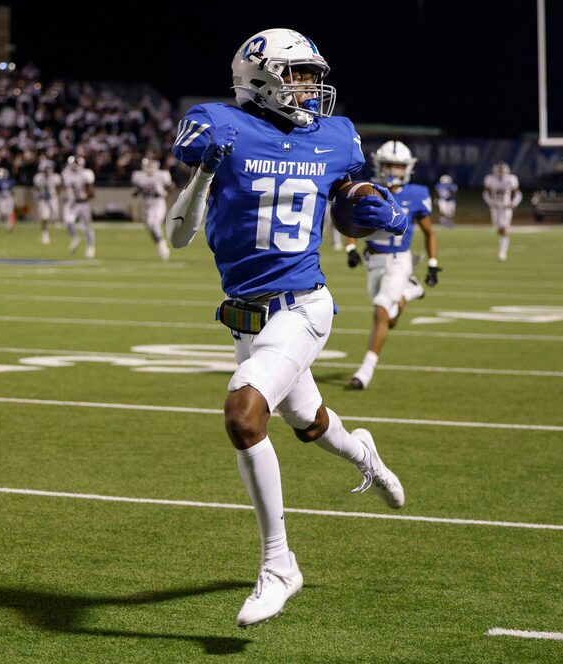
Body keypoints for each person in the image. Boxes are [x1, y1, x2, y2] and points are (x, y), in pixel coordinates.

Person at [166, 28, 406, 628]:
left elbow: (350, 200)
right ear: (262, 75)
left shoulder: (334, 135)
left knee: (244, 414)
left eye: (310, 74)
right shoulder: (220, 126)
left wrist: (370, 207)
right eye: (298, 73)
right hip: (249, 316)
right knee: (309, 422)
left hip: (303, 306)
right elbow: (176, 236)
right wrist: (204, 173)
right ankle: (364, 455)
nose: (309, 85)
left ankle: (279, 565)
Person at [346, 141, 440, 390]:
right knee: (390, 318)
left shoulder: (416, 194)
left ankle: (365, 371)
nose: (393, 171)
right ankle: (410, 290)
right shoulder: (369, 190)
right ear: (379, 164)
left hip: (399, 260)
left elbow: (429, 232)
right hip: (373, 260)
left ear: (408, 168)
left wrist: (432, 263)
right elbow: (352, 222)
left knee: (380, 311)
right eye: (389, 165)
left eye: (399, 166)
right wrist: (351, 248)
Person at [130, 156, 174, 260]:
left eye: (151, 165)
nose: (149, 168)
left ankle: (162, 246)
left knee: (153, 224)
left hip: (158, 203)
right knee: (150, 226)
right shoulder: (140, 176)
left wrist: (166, 192)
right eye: (147, 166)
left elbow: (171, 186)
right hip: (147, 204)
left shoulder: (161, 175)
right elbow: (139, 189)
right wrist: (137, 192)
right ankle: (160, 244)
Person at [483, 161, 521, 261]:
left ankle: (502, 253)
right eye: (499, 170)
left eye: (502, 170)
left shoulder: (511, 179)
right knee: (499, 230)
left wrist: (513, 203)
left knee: (504, 230)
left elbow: (518, 193)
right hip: (495, 208)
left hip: (505, 208)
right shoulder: (490, 179)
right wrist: (490, 202)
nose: (500, 172)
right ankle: (502, 250)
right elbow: (485, 193)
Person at [61, 155, 96, 258]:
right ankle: (75, 238)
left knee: (86, 227)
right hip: (72, 203)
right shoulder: (66, 173)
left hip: (83, 204)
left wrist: (84, 198)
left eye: (76, 163)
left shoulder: (86, 174)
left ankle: (90, 247)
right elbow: (65, 187)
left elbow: (91, 192)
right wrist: (65, 196)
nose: (74, 166)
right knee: (68, 222)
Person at [33, 158, 62, 245]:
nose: (46, 171)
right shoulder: (38, 177)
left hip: (52, 198)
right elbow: (37, 188)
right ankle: (45, 235)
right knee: (44, 217)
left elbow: (59, 187)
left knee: (55, 214)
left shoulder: (55, 177)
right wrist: (39, 194)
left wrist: (56, 194)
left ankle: (55, 222)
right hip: (43, 199)